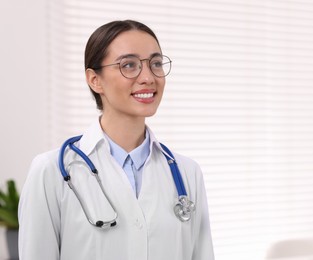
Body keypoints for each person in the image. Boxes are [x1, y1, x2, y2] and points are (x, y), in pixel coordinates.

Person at [18, 20, 214, 260]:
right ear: (94, 80)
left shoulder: (187, 173)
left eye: (155, 64)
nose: (148, 77)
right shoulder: (52, 172)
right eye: (129, 65)